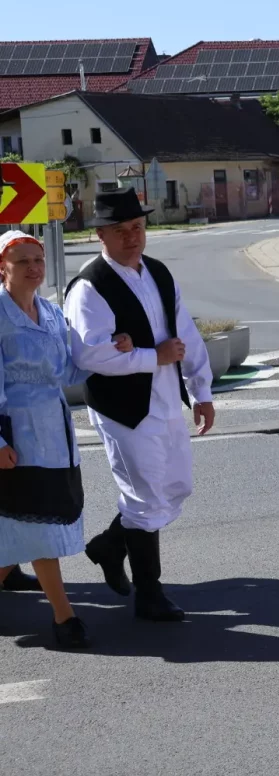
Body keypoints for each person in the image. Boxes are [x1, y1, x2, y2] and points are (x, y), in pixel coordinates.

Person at [64, 189, 215, 623]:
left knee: (175, 488)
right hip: (122, 408)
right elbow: (89, 355)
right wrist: (153, 356)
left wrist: (200, 390)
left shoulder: (159, 273)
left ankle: (109, 546)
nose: (132, 238)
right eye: (120, 230)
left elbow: (185, 332)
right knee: (145, 495)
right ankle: (150, 595)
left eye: (137, 228)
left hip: (166, 397)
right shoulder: (89, 286)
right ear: (100, 235)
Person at [0, 230, 133, 649]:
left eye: (37, 260)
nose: (34, 268)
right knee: (35, 527)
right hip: (15, 437)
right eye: (22, 261)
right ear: (2, 267)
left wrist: (111, 350)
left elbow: (69, 373)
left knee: (24, 523)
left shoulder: (53, 314)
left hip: (56, 434)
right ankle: (64, 616)